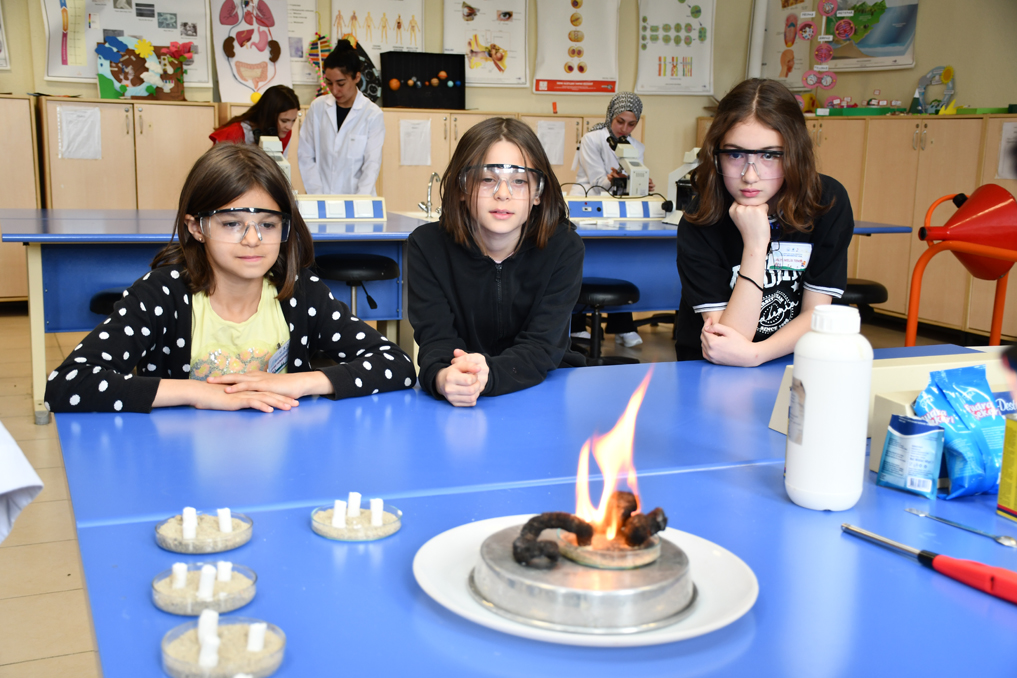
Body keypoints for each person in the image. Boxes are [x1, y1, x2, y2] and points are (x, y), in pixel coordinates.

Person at [44, 144, 415, 413]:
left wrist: (299, 381)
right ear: (197, 227)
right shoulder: (163, 294)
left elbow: (396, 364)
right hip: (180, 464)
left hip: (287, 464)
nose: (252, 239)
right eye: (232, 223)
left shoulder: (300, 293)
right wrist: (197, 393)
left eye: (267, 224)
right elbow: (67, 384)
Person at [407, 118, 585, 407]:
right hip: (463, 390)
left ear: (538, 193)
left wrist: (488, 375)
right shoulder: (427, 246)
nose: (503, 193)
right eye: (487, 179)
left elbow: (542, 347)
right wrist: (442, 378)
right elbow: (436, 342)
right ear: (462, 187)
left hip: (544, 387)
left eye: (519, 181)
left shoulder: (564, 247)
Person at [675, 78, 853, 366]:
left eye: (769, 155)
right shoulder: (701, 217)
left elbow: (817, 313)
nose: (750, 175)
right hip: (712, 368)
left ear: (794, 153)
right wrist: (756, 245)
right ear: (716, 155)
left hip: (796, 360)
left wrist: (757, 354)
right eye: (735, 154)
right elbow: (728, 341)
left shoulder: (826, 201)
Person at [570, 92, 654, 348]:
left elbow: (632, 183)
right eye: (620, 122)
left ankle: (622, 325)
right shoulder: (592, 139)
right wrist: (613, 178)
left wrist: (643, 184)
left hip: (617, 210)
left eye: (631, 124)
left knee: (618, 262)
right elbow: (596, 181)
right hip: (586, 206)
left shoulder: (637, 147)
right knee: (581, 263)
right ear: (610, 116)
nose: (624, 129)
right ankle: (577, 324)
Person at [298, 40, 384, 195]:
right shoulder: (318, 108)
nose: (334, 90)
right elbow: (306, 155)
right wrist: (317, 195)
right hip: (320, 197)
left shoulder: (372, 114)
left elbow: (371, 165)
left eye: (341, 83)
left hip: (357, 200)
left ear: (357, 77)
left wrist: (359, 202)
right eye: (329, 83)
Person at [209, 85, 300, 155]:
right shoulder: (233, 133)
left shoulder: (284, 132)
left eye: (293, 120)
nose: (289, 127)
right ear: (269, 115)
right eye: (284, 121)